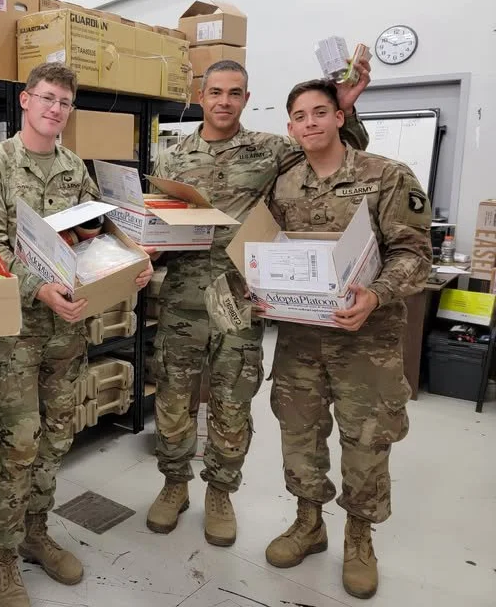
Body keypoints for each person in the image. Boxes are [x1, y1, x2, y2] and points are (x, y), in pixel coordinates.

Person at [147, 59, 371, 546]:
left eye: (234, 92)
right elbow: (155, 220)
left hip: (241, 298)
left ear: (246, 99)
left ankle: (221, 492)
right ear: (200, 96)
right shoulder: (171, 157)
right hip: (183, 298)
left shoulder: (272, 149)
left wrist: (346, 110)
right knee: (173, 398)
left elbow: (338, 154)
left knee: (232, 403)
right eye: (215, 92)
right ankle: (173, 484)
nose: (223, 101)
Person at [0, 62, 153, 607]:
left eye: (64, 103)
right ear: (25, 101)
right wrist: (38, 289)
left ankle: (35, 532)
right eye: (46, 98)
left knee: (55, 438)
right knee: (18, 444)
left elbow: (95, 233)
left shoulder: (74, 168)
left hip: (68, 330)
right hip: (14, 333)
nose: (55, 109)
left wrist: (130, 258)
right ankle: (2, 557)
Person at [264, 79, 431, 599]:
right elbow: (269, 249)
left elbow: (415, 255)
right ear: (290, 127)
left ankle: (359, 538)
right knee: (299, 433)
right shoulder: (284, 182)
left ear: (341, 117)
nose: (310, 122)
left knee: (366, 441)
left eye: (320, 112)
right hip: (300, 338)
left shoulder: (386, 176)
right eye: (299, 116)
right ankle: (308, 523)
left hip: (367, 340)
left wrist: (376, 295)